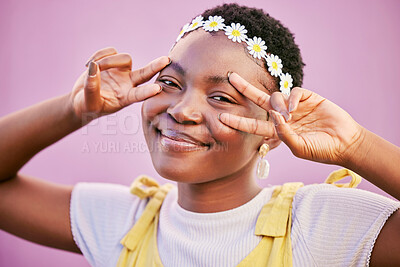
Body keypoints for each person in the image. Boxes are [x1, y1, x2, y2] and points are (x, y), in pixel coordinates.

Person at [0, 3, 399, 266]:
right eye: (171, 83)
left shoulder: (316, 225)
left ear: (273, 132)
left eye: (222, 96)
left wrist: (355, 146)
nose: (182, 110)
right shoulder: (123, 223)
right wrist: (74, 111)